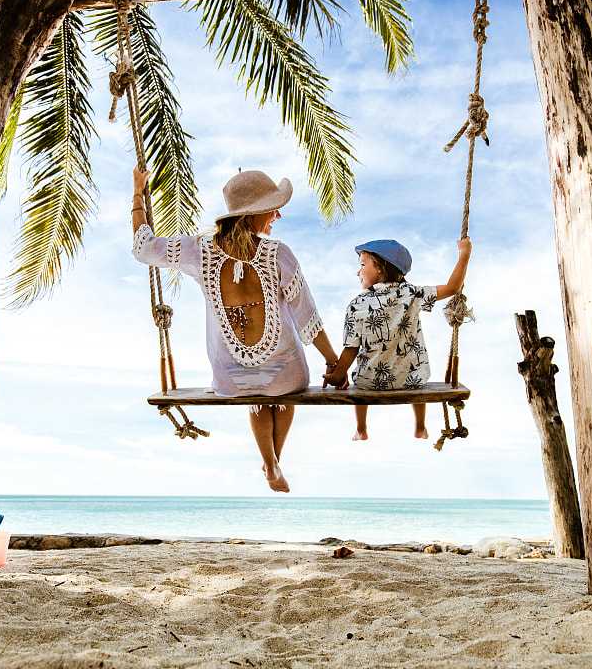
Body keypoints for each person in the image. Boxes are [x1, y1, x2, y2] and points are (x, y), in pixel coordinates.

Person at [131, 167, 343, 492]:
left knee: (255, 397)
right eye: (274, 207)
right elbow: (307, 318)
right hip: (288, 374)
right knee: (285, 395)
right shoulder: (278, 254)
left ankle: (271, 463)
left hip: (231, 377)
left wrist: (137, 192)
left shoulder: (198, 251)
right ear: (255, 213)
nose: (279, 214)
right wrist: (334, 363)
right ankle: (273, 463)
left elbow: (144, 248)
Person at [324, 238, 472, 441]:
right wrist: (464, 254)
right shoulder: (413, 293)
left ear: (380, 267)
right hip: (413, 381)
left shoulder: (356, 304)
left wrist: (337, 375)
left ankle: (361, 429)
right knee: (415, 366)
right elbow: (453, 287)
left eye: (362, 265)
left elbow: (351, 350)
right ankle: (420, 427)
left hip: (369, 383)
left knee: (360, 375)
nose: (357, 271)